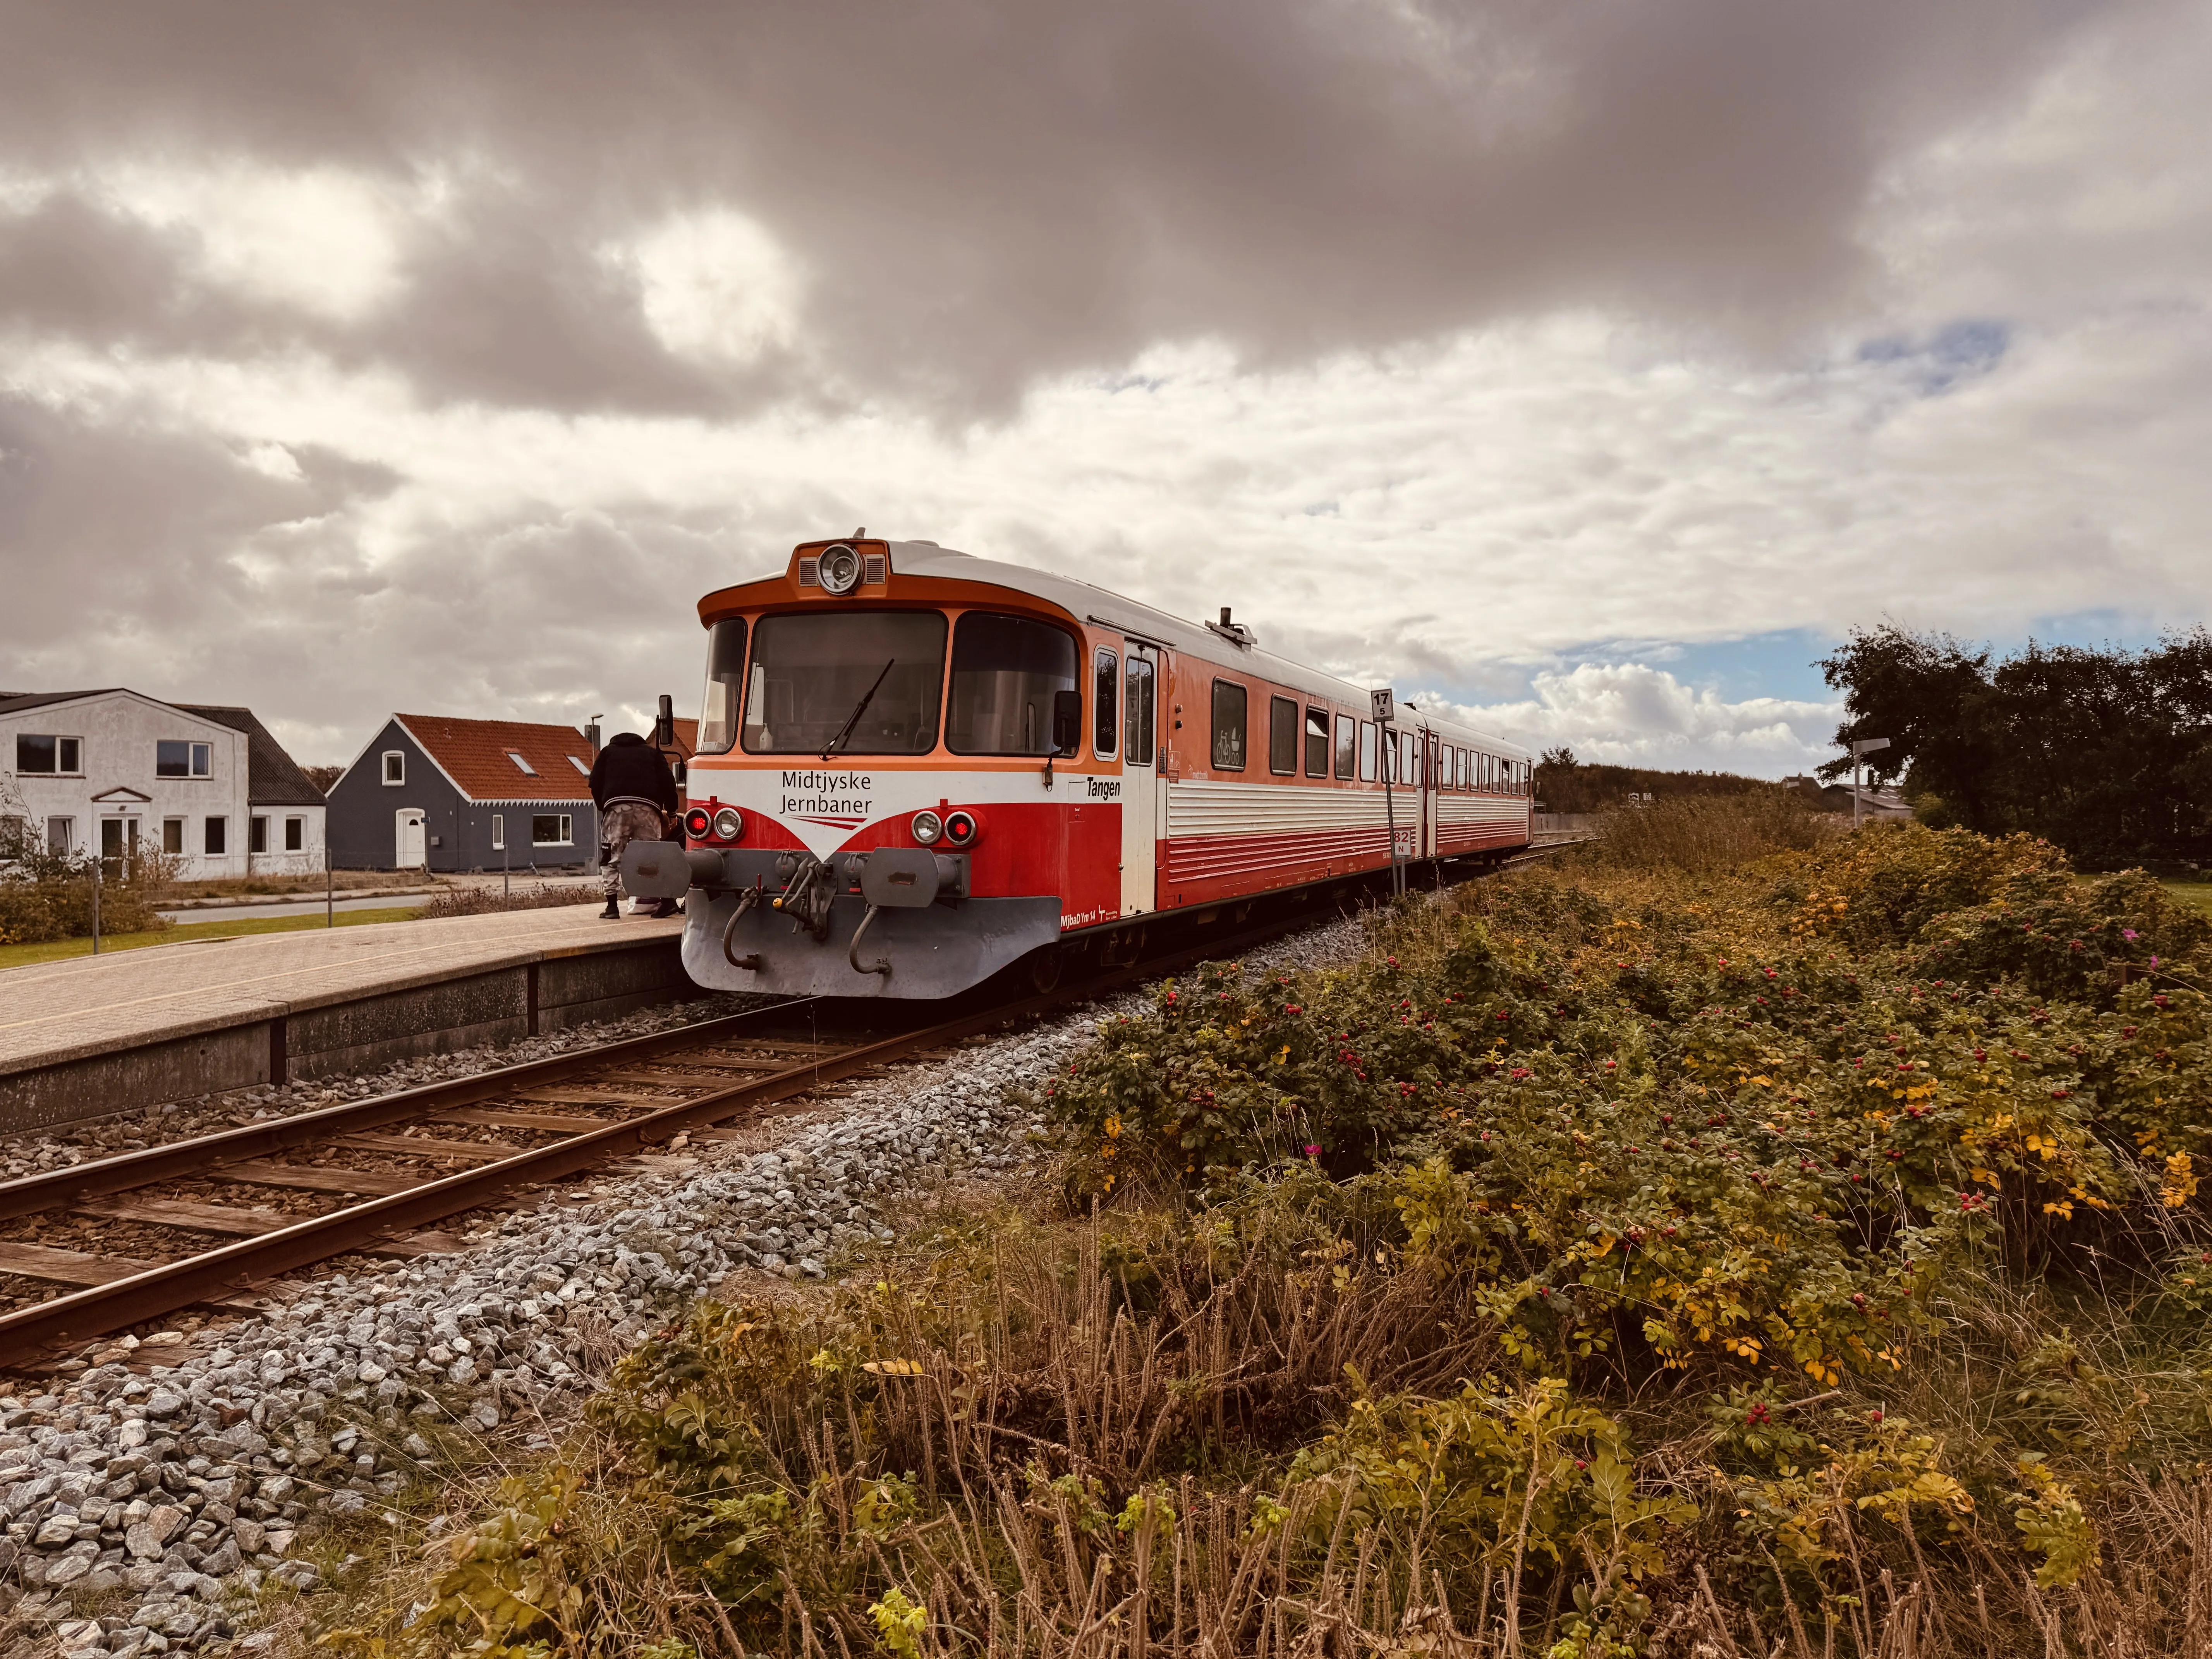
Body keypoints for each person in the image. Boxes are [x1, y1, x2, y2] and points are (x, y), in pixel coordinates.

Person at [587, 731, 680, 919]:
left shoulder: (607, 753)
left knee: (611, 857)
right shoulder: (653, 754)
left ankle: (612, 907)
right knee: (653, 856)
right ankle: (668, 902)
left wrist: (604, 806)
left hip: (616, 808)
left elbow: (594, 782)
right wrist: (671, 811)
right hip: (648, 809)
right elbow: (668, 782)